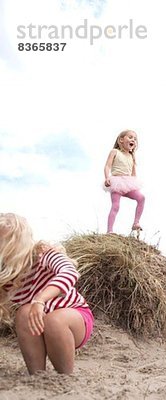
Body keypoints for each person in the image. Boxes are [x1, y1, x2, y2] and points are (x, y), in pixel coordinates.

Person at [0, 213, 94, 374]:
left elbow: (69, 272)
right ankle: (38, 376)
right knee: (24, 312)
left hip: (74, 320)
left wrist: (40, 300)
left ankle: (65, 378)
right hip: (39, 324)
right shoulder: (8, 277)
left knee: (54, 320)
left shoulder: (44, 254)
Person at [103, 129, 145, 234]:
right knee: (115, 206)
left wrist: (134, 185)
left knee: (141, 198)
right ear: (121, 140)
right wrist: (107, 177)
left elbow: (134, 174)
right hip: (116, 182)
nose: (133, 140)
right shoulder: (115, 152)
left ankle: (136, 223)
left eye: (135, 139)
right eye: (130, 137)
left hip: (128, 182)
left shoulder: (131, 156)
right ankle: (110, 231)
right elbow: (107, 165)